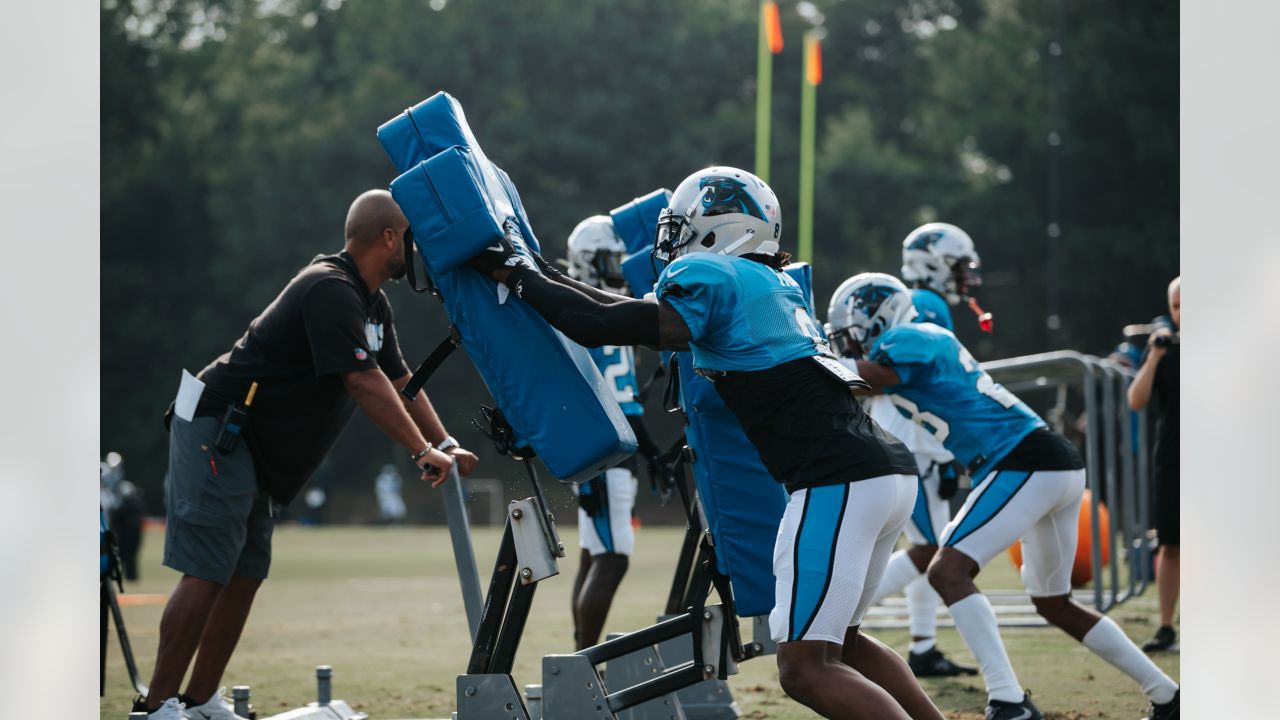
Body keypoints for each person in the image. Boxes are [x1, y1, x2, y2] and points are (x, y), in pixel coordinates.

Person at [470, 167, 944, 720]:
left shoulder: (714, 276)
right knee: (848, 645)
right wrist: (540, 270)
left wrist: (515, 274)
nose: (672, 240)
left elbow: (600, 323)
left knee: (806, 669)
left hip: (837, 479)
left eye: (684, 225)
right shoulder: (769, 283)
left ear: (725, 228)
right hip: (882, 470)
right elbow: (610, 307)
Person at [135, 190, 479, 720]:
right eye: (410, 238)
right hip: (217, 425)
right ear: (389, 237)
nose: (415, 250)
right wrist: (420, 450)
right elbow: (363, 382)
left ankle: (200, 701)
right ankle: (155, 708)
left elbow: (399, 378)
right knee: (207, 567)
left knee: (246, 569)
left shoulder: (371, 302)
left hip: (250, 445)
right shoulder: (329, 288)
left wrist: (447, 442)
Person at [836, 272, 1180, 720]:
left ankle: (1008, 699)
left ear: (876, 318)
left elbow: (872, 378)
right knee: (1054, 603)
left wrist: (806, 354)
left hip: (1021, 460)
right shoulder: (919, 338)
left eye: (850, 330)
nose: (848, 342)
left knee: (947, 570)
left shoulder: (910, 337)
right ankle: (1168, 694)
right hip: (1048, 461)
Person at [833, 222, 988, 678]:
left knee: (930, 548)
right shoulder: (926, 305)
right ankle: (833, 623)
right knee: (930, 550)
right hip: (912, 443)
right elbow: (913, 386)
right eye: (959, 265)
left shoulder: (920, 302)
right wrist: (939, 450)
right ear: (935, 263)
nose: (966, 276)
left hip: (916, 443)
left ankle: (923, 645)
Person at [561, 215, 663, 650]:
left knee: (594, 554)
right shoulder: (593, 314)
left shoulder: (603, 309)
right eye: (609, 260)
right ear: (587, 260)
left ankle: (577, 663)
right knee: (612, 559)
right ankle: (582, 667)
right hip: (607, 452)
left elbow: (626, 397)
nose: (618, 269)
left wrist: (653, 452)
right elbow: (607, 397)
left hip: (611, 449)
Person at [1127, 276, 1180, 653]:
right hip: (1174, 456)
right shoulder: (1163, 348)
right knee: (1171, 545)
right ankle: (1166, 626)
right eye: (1177, 306)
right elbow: (1136, 400)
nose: (1182, 314)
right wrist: (1155, 356)